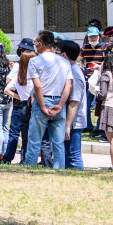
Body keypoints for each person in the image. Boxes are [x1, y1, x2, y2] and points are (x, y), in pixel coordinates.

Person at [24, 30, 73, 169]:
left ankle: (30, 169)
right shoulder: (64, 62)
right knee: (58, 144)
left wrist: (43, 106)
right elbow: (68, 86)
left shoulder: (34, 61)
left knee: (34, 142)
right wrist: (60, 105)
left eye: (35, 42)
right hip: (59, 102)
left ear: (40, 44)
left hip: (42, 102)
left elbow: (38, 86)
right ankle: (59, 170)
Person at [2, 40, 36, 165]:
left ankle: (7, 158)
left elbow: (7, 86)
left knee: (14, 133)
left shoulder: (19, 69)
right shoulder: (34, 74)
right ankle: (25, 158)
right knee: (27, 135)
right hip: (31, 105)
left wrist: (19, 96)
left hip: (19, 106)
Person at [59, 40, 86, 170]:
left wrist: (67, 125)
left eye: (58, 52)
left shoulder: (75, 73)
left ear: (64, 55)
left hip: (74, 122)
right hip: (70, 121)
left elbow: (74, 102)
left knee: (73, 155)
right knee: (67, 154)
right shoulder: (70, 70)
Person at [79, 26, 106, 138]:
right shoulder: (84, 48)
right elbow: (80, 59)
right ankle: (88, 125)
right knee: (86, 104)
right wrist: (81, 68)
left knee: (100, 104)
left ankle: (100, 126)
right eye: (91, 36)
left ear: (99, 36)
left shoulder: (105, 47)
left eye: (95, 36)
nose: (93, 38)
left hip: (100, 79)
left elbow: (108, 62)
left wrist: (98, 66)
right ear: (88, 37)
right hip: (88, 80)